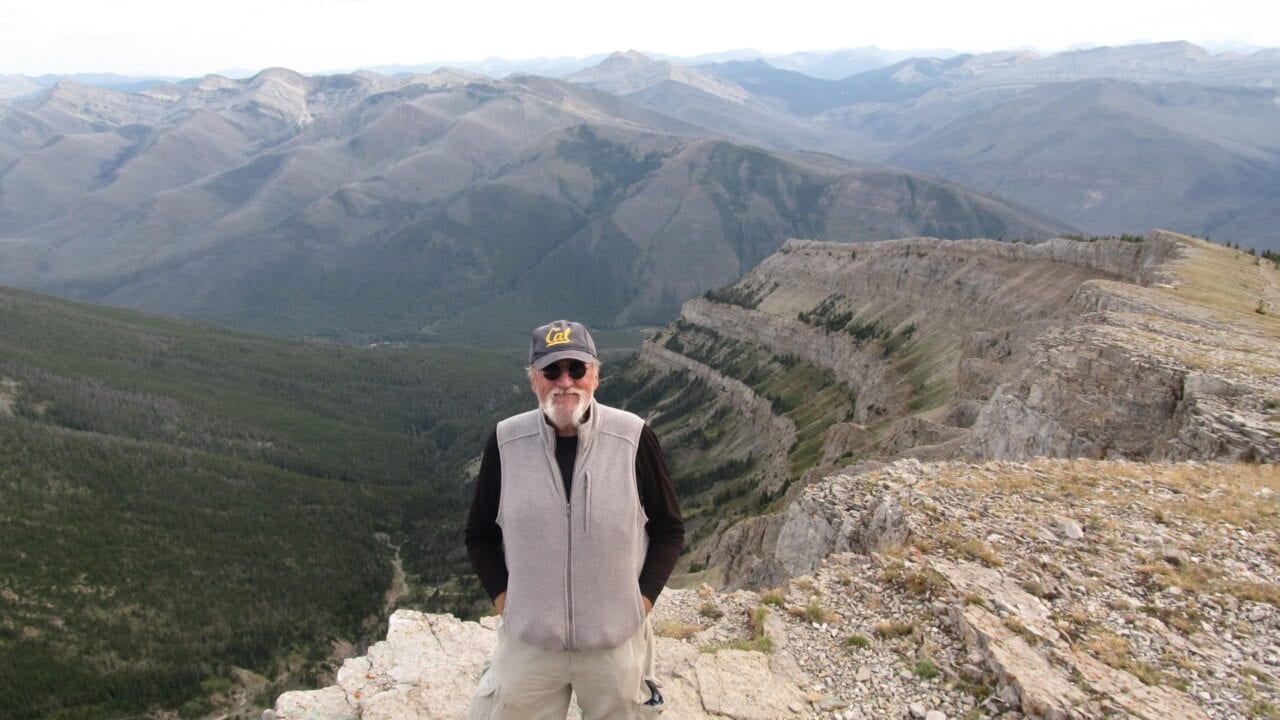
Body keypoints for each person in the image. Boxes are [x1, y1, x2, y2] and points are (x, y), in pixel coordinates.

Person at [465, 319, 684, 719]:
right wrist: (505, 601)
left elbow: (668, 529)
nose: (565, 382)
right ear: (534, 380)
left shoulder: (633, 438)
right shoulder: (505, 441)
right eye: (551, 370)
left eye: (577, 368)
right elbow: (479, 534)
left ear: (595, 376)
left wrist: (640, 604)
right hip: (530, 646)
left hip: (614, 646)